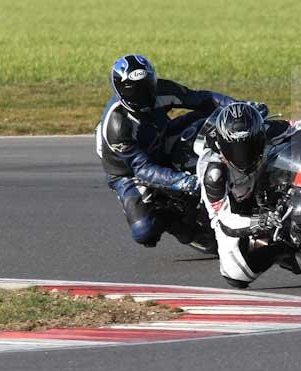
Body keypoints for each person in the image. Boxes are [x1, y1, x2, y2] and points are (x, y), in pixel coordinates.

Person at [197, 102, 301, 288]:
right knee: (236, 275)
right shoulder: (214, 173)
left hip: (266, 178)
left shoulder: (267, 129)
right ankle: (283, 250)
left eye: (250, 144)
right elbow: (225, 221)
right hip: (236, 208)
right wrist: (258, 222)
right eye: (236, 148)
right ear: (223, 144)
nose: (243, 154)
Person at [97, 54, 236, 248]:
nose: (145, 95)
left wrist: (238, 107)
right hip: (129, 171)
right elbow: (143, 169)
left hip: (162, 137)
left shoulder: (161, 90)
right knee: (144, 232)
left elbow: (201, 99)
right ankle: (173, 221)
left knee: (209, 118)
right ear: (122, 91)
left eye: (148, 86)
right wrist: (185, 182)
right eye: (137, 91)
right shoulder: (118, 126)